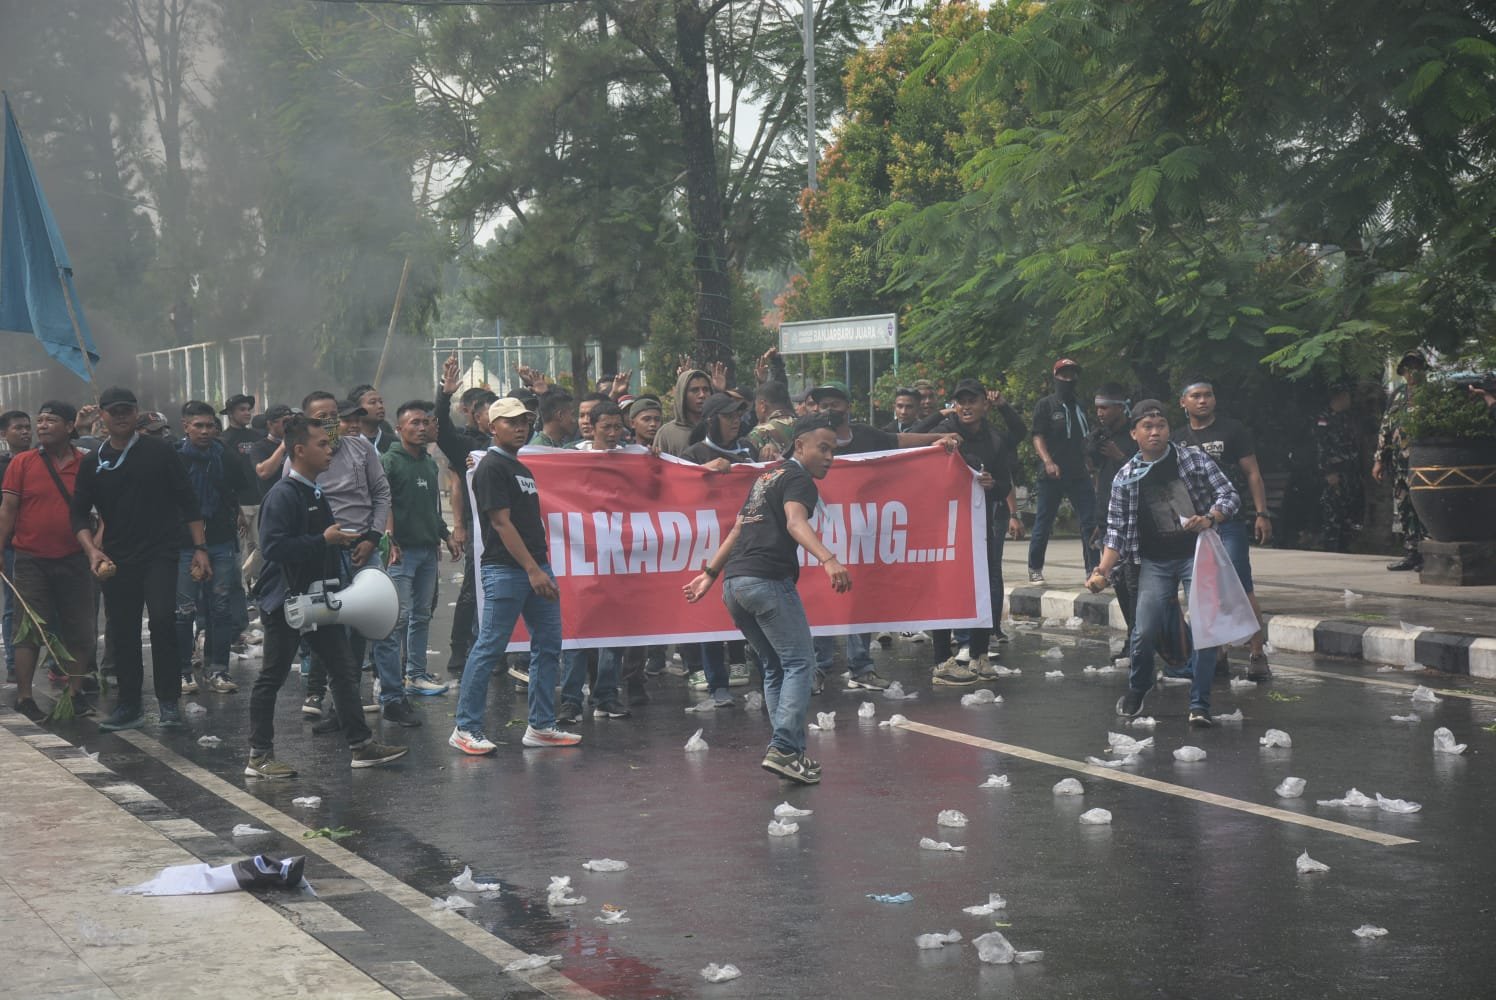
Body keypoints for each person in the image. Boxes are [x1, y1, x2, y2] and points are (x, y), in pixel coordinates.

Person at [684, 414, 850, 785]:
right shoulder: (798, 479)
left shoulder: (766, 478)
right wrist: (829, 558)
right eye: (822, 448)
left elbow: (738, 528)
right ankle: (787, 749)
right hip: (766, 583)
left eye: (834, 451)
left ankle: (788, 753)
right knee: (800, 663)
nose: (829, 457)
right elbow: (794, 523)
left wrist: (710, 575)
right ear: (800, 446)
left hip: (735, 586)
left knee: (775, 666)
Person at [246, 416, 408, 777]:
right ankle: (258, 756)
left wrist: (337, 547)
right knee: (271, 677)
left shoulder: (315, 491)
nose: (330, 448)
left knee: (342, 670)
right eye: (322, 443)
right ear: (299, 450)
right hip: (287, 602)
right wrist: (323, 540)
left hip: (320, 599)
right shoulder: (284, 494)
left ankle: (361, 745)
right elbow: (272, 548)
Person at [1085, 399, 1239, 727]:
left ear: (1169, 430)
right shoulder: (1126, 477)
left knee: (1205, 629)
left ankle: (1200, 704)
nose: (1155, 433)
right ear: (1135, 434)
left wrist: (1210, 518)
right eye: (1148, 427)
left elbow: (1230, 496)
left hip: (1196, 555)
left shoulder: (1193, 460)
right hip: (1154, 561)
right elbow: (1117, 534)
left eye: (1161, 426)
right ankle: (1138, 689)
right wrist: (1102, 570)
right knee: (1144, 632)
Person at [72, 386, 210, 732]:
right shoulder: (93, 462)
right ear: (101, 416)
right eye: (113, 411)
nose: (120, 416)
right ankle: (129, 704)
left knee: (163, 620)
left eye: (126, 410)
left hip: (161, 553)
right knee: (123, 630)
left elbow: (187, 500)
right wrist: (92, 551)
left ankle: (168, 702)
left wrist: (200, 548)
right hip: (117, 557)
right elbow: (77, 516)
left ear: (136, 413)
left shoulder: (160, 451)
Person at [452, 398, 581, 753]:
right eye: (510, 421)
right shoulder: (493, 467)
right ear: (492, 428)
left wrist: (539, 567)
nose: (520, 426)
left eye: (524, 420)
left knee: (547, 646)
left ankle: (540, 725)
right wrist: (532, 569)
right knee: (489, 647)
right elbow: (500, 522)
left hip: (536, 568)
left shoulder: (521, 468)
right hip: (508, 570)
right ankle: (465, 727)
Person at [806, 380, 953, 693]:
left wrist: (938, 438)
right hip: (822, 536)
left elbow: (900, 441)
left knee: (859, 600)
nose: (829, 409)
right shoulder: (807, 441)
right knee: (821, 602)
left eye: (835, 402)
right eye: (823, 403)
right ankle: (818, 669)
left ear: (847, 407)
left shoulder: (866, 436)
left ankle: (861, 666)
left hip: (863, 537)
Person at [294, 393, 392, 727]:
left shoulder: (362, 449)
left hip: (363, 549)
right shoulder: (300, 456)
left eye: (335, 416)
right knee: (328, 629)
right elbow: (291, 503)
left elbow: (381, 494)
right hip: (322, 552)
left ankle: (376, 702)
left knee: (370, 625)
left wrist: (372, 538)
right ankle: (325, 696)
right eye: (321, 417)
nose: (332, 424)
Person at [924, 379, 1027, 685]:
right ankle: (942, 660)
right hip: (942, 524)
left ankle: (980, 655)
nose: (966, 407)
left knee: (980, 587)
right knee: (943, 588)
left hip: (978, 525)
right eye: (960, 401)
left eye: (972, 401)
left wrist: (992, 486)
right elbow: (912, 438)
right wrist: (941, 418)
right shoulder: (941, 434)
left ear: (985, 404)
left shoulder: (994, 440)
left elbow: (1005, 483)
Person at [0, 402, 95, 721]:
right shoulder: (23, 463)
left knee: (79, 629)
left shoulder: (87, 463)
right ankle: (25, 697)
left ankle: (75, 693)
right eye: (39, 420)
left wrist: (97, 549)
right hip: (30, 559)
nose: (41, 426)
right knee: (27, 630)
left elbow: (104, 510)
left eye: (50, 420)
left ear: (70, 426)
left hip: (75, 559)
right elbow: (8, 510)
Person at [1174, 375, 1271, 677]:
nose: (1203, 400)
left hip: (1227, 521)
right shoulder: (1177, 439)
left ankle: (1257, 653)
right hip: (1194, 526)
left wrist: (1262, 513)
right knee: (1205, 590)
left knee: (1242, 586)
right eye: (1196, 396)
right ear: (1183, 403)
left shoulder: (1233, 430)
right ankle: (1217, 653)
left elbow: (1253, 473)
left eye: (1208, 395)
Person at [371, 401, 459, 727]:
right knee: (398, 617)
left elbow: (432, 510)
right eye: (414, 423)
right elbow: (384, 503)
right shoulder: (390, 462)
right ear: (399, 429)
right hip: (401, 553)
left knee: (422, 614)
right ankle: (389, 687)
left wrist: (446, 535)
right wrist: (389, 538)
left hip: (426, 551)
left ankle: (416, 675)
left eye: (425, 423)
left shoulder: (429, 464)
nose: (421, 428)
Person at [556, 400, 642, 723]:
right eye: (605, 427)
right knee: (577, 628)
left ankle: (606, 695)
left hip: (618, 556)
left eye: (617, 427)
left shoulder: (633, 457)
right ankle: (571, 700)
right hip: (579, 555)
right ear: (591, 427)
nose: (612, 433)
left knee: (613, 630)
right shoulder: (568, 457)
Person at [174, 401, 252, 696]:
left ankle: (218, 669)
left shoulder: (226, 457)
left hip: (221, 541)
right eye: (199, 426)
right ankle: (183, 672)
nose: (205, 431)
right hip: (183, 545)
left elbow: (236, 491)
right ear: (186, 426)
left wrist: (237, 515)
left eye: (210, 426)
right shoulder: (175, 459)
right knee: (183, 610)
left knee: (221, 609)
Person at [1028, 358, 1099, 584]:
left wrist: (1090, 464)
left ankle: (1093, 569)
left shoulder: (1080, 406)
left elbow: (1085, 438)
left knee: (1090, 522)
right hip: (1052, 474)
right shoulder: (1046, 405)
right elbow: (1037, 436)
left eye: (1072, 375)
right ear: (1055, 377)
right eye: (1063, 375)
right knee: (1044, 522)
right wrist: (1048, 461)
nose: (1068, 379)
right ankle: (1035, 567)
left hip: (1078, 472)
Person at [1087, 384, 1140, 638]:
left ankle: (1139, 637)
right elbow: (1100, 474)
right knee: (1118, 583)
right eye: (1097, 408)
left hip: (1134, 520)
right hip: (1108, 515)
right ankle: (1132, 636)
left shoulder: (1135, 435)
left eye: (1105, 408)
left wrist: (1120, 456)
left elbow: (1142, 474)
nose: (1100, 413)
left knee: (1134, 584)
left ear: (1120, 407)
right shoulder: (1102, 436)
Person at [1374, 351, 1428, 571]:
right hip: (1400, 465)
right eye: (1408, 368)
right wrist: (1379, 460)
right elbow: (1385, 428)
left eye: (1416, 367)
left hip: (1424, 464)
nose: (1411, 372)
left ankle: (1429, 553)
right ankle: (1412, 553)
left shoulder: (1431, 394)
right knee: (1406, 508)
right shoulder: (1397, 395)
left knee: (1425, 508)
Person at [0, 409, 30, 683]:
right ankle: (13, 662)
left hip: (38, 544)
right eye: (17, 427)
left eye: (27, 427)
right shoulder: (2, 465)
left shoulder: (41, 460)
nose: (25, 432)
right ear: (3, 434)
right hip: (10, 546)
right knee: (13, 605)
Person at [1314, 384, 1363, 553]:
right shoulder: (1324, 418)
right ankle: (1331, 546)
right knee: (1333, 511)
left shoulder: (1346, 418)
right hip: (1334, 472)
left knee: (1348, 510)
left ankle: (1345, 546)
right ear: (1339, 397)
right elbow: (1321, 447)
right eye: (1347, 396)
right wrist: (1328, 472)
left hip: (1349, 472)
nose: (1350, 400)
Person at [655, 367, 712, 457]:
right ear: (682, 395)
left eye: (706, 390)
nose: (702, 395)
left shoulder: (718, 429)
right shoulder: (666, 433)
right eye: (695, 390)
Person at [747, 380, 795, 461]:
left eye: (755, 405)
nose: (755, 409)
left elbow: (748, 464)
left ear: (762, 405)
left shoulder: (759, 432)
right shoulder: (804, 426)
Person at [347, 384, 395, 454]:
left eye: (381, 402)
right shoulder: (347, 443)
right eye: (373, 402)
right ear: (357, 409)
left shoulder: (393, 443)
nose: (380, 406)